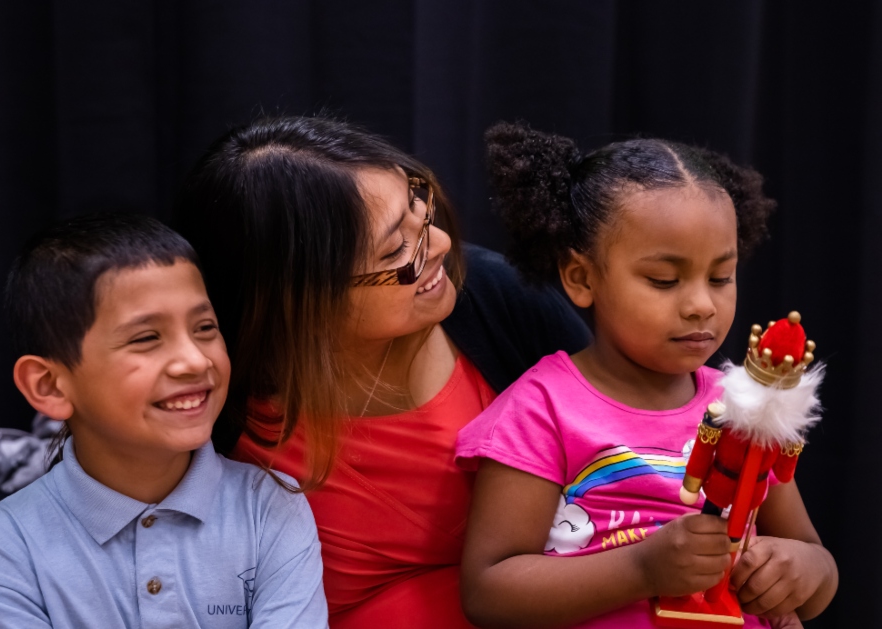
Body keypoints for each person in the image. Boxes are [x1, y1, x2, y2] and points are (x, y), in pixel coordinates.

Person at [172, 115, 591, 628]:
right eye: (397, 250)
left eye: (422, 208)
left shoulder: (494, 296)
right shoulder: (216, 414)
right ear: (301, 299)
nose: (437, 244)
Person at [455, 122, 839, 628]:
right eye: (664, 280)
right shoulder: (542, 410)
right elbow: (488, 593)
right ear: (582, 278)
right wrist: (641, 568)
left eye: (721, 276)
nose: (702, 304)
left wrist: (804, 570)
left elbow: (815, 565)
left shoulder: (747, 407)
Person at [0, 213, 328, 628]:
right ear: (51, 387)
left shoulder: (270, 506)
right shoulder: (6, 544)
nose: (194, 359)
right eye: (146, 338)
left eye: (205, 327)